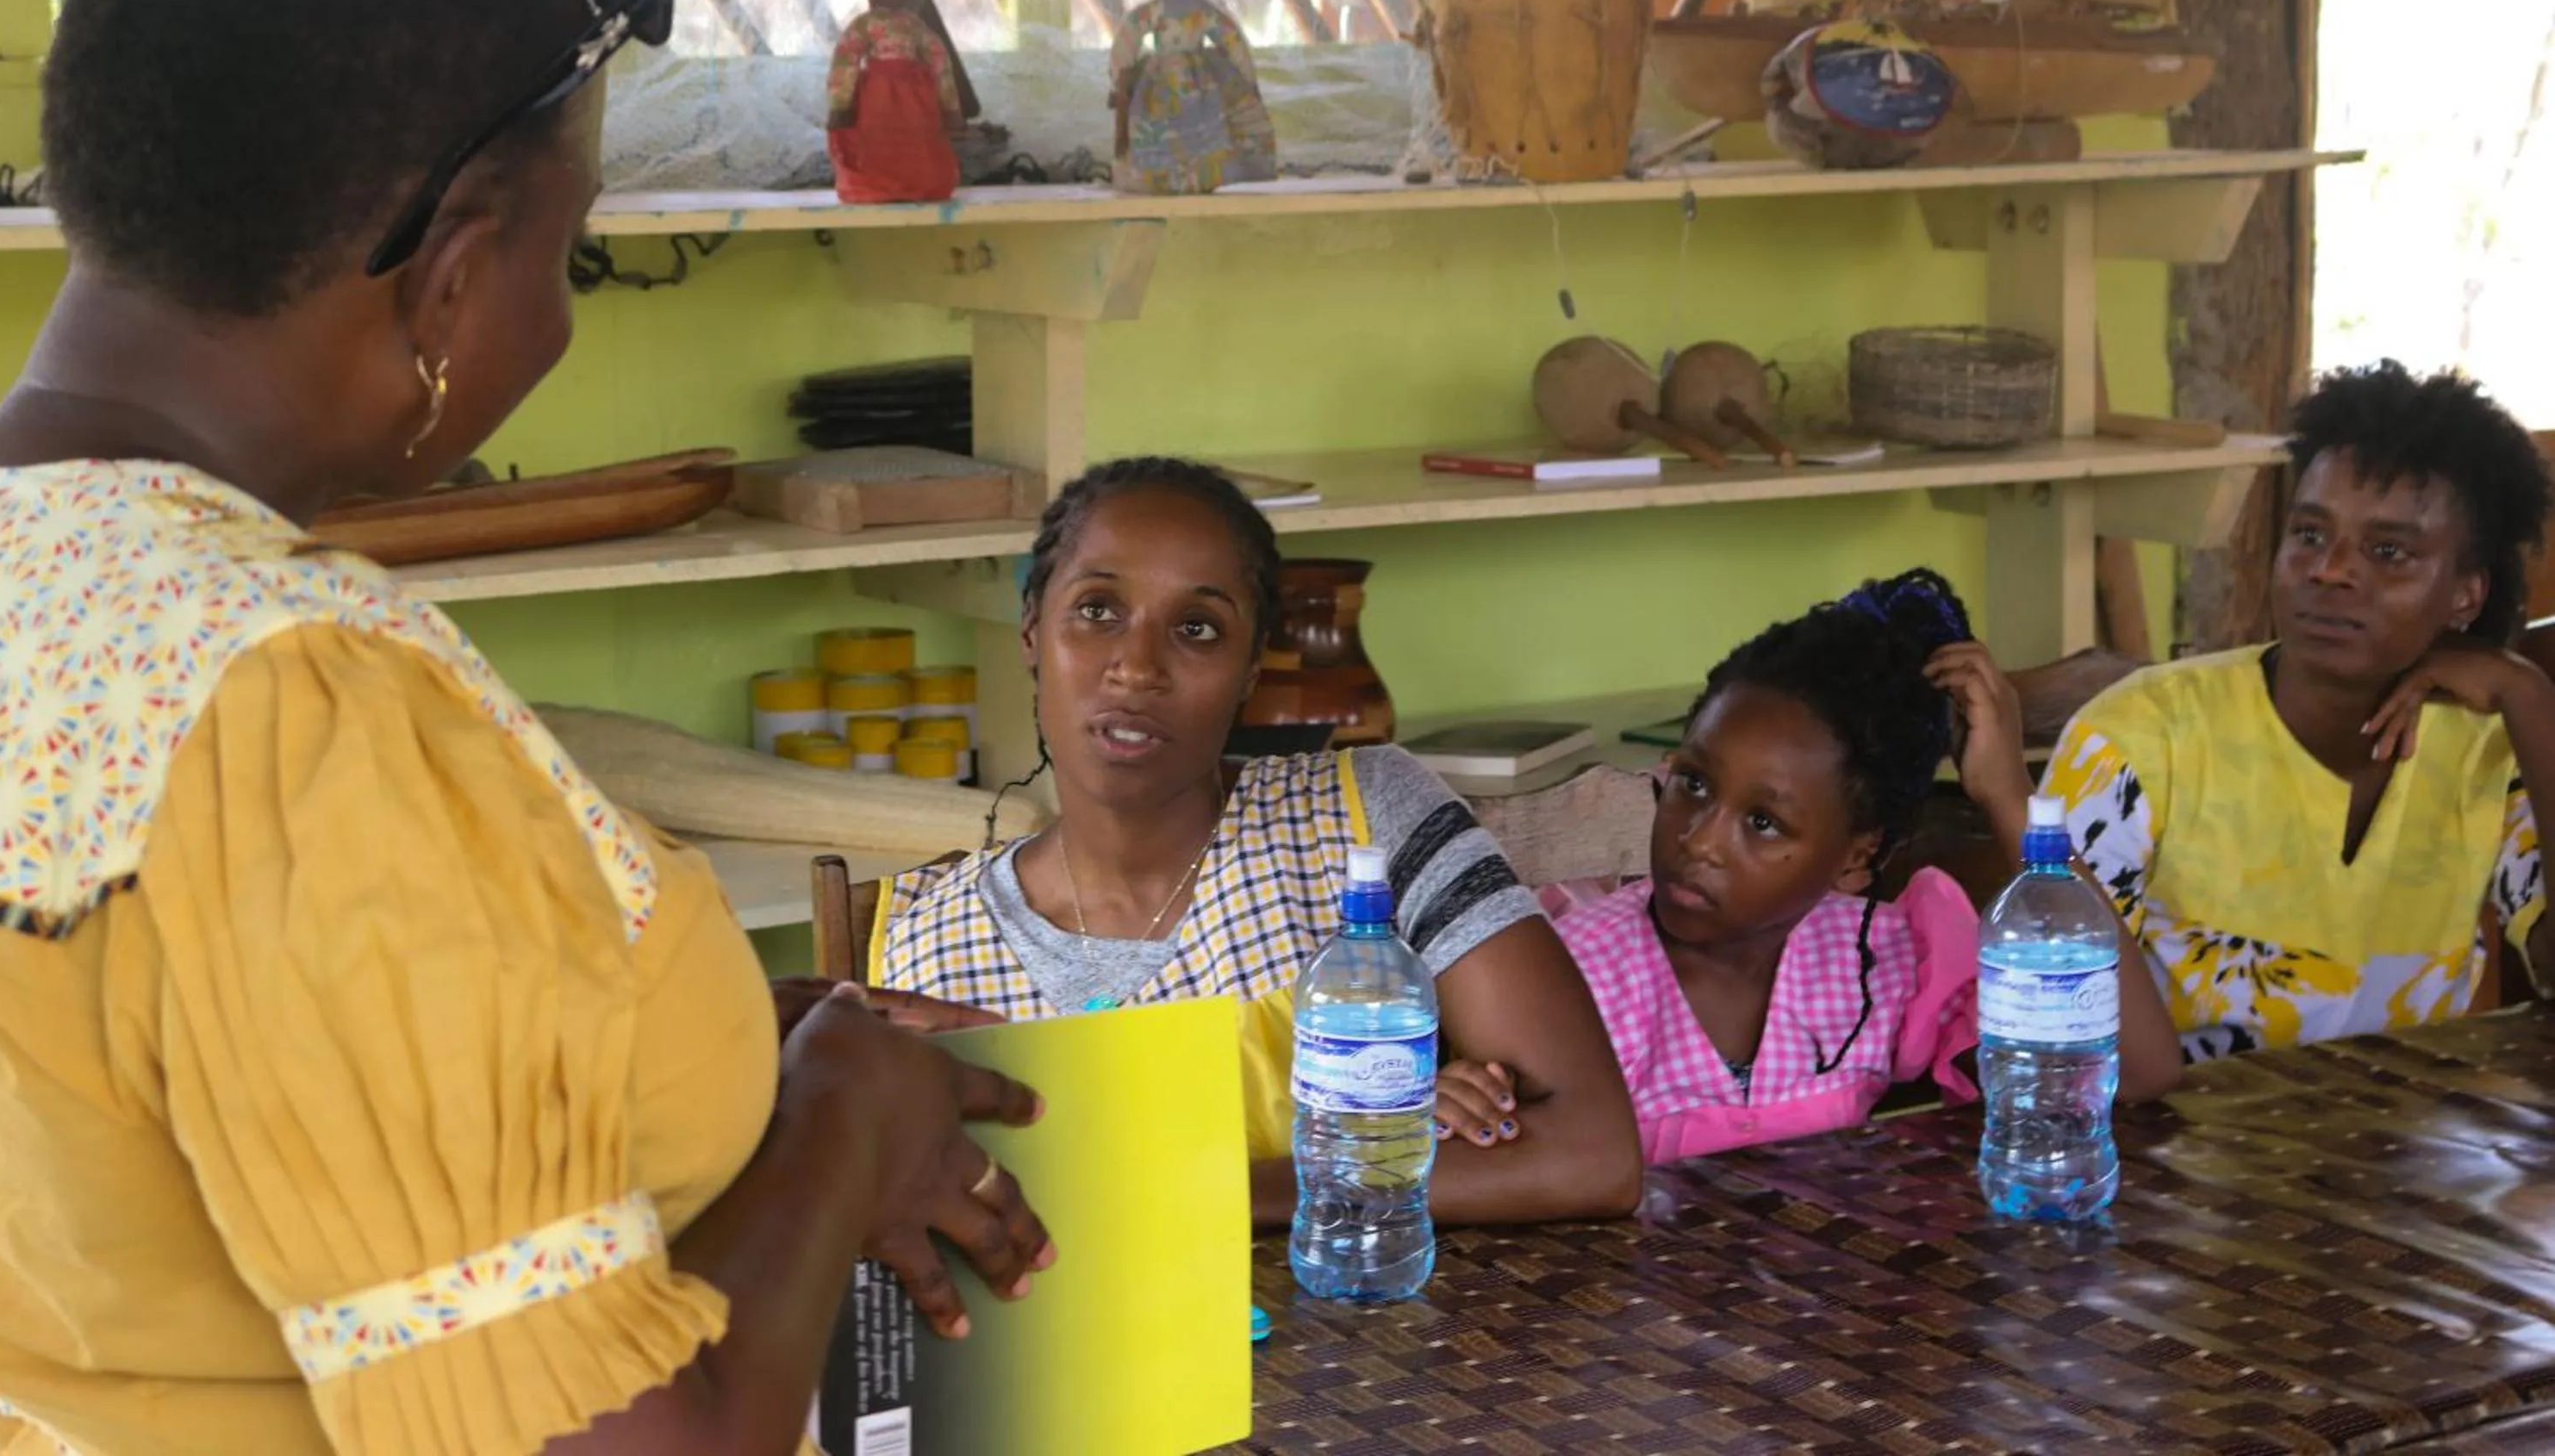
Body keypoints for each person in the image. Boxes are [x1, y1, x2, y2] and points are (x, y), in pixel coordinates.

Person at [0, 0, 1045, 1456]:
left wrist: (623, 1044)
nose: (557, 305)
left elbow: (147, 1074)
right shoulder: (298, 711)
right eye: (579, 248)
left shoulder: (56, 595)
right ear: (455, 277)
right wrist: (841, 1124)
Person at [869, 457, 1643, 1224]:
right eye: (1098, 611)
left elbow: (1591, 1155)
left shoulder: (1360, 822)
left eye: (1197, 629)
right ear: (1033, 633)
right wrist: (1360, 1161)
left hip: (1382, 1337)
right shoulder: (926, 949)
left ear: (1248, 670)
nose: (1137, 668)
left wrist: (1178, 1191)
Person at [1443, 573, 2179, 1166]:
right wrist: (1453, 1102)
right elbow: (1484, 1142)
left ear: (1856, 856)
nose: (1699, 839)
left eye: (1763, 823)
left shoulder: (1884, 964)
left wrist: (2007, 796)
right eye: (1695, 784)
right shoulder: (1575, 972)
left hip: (1827, 1324)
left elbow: (2138, 1071)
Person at [2044, 362, 2553, 1061]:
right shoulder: (2137, 741)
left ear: (2465, 596)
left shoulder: (2489, 752)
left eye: (2387, 551)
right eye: (2310, 535)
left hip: (2421, 1152)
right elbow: (2057, 1035)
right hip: (2178, 1154)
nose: (2331, 570)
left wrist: (2528, 697)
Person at [1107, 0, 1277, 196]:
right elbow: (1232, 41)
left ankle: (1170, 175)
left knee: (1163, 128)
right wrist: (1248, 81)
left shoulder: (1152, 11)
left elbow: (1126, 41)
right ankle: (1196, 174)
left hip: (1160, 80)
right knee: (1203, 127)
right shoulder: (1203, 10)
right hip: (1200, 80)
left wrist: (1119, 79)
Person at [826, 0, 963, 204]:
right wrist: (949, 105)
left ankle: (883, 185)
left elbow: (845, 61)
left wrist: (841, 102)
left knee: (881, 139)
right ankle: (913, 184)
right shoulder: (914, 25)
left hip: (877, 92)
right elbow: (939, 60)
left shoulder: (866, 24)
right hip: (915, 93)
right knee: (913, 140)